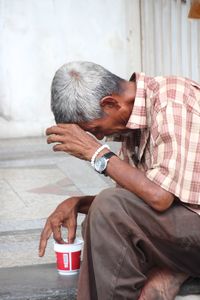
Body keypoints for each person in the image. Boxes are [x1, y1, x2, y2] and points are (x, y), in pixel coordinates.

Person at [38, 61, 200, 300]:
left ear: (110, 103)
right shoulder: (131, 126)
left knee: (109, 208)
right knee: (102, 215)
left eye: (95, 129)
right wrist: (78, 203)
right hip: (185, 231)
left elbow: (160, 197)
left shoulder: (171, 100)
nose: (100, 137)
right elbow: (134, 202)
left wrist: (98, 153)